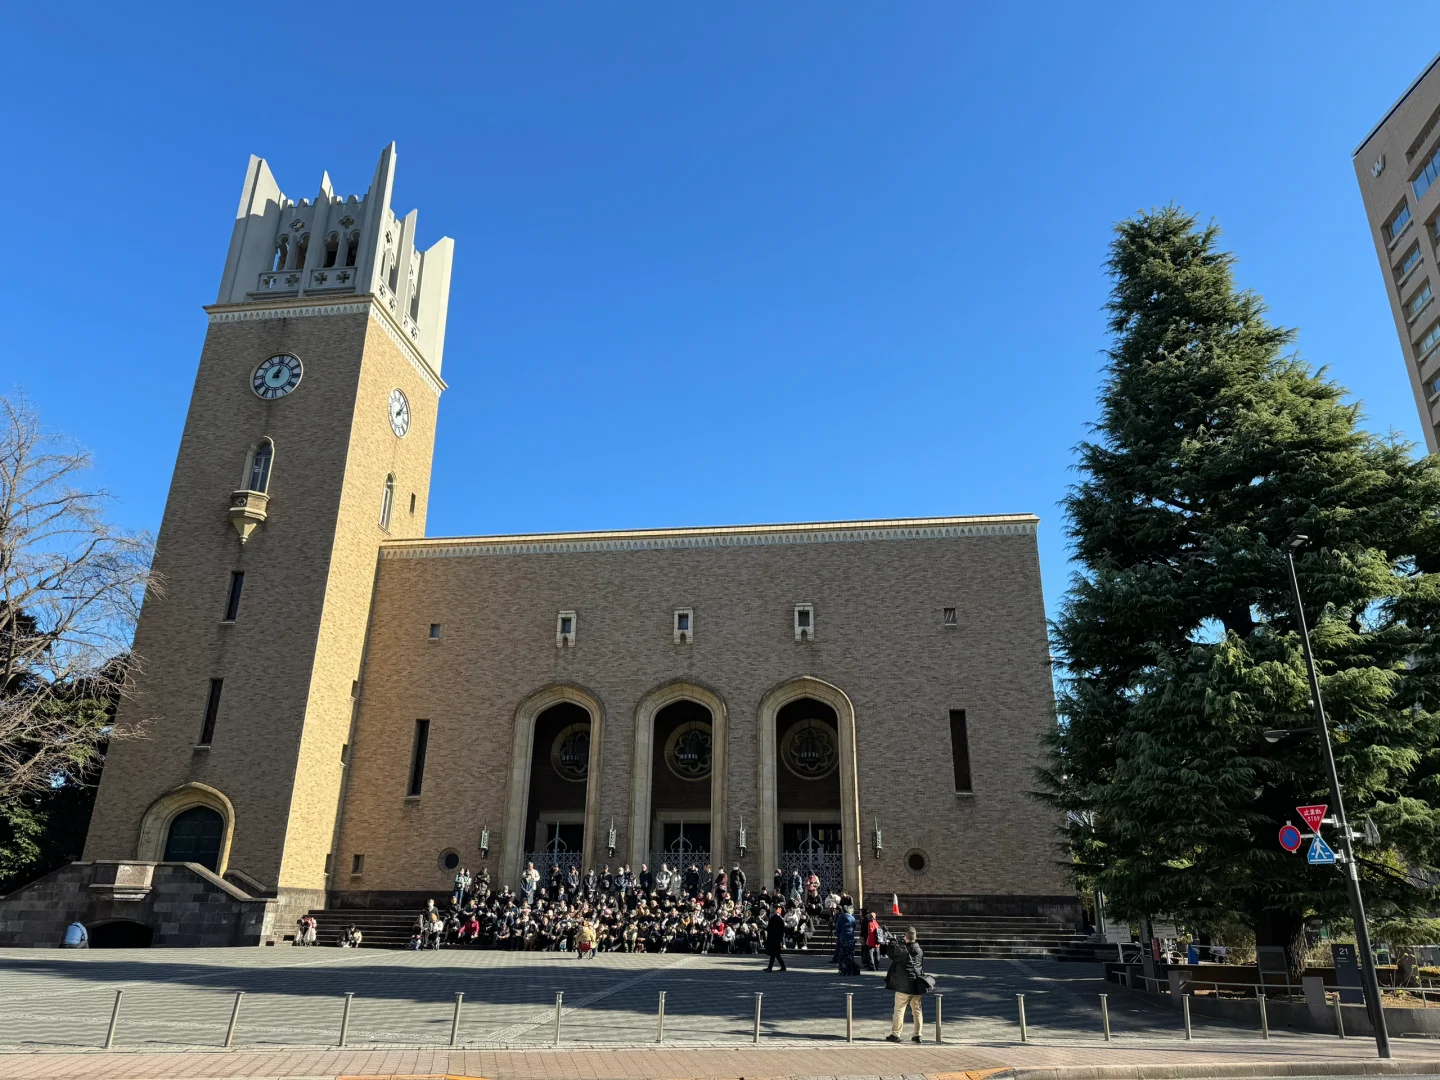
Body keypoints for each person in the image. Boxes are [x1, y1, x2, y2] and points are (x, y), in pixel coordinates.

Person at [885, 926, 927, 1043]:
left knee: (899, 1009)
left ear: (905, 937)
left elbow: (891, 954)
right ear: (915, 937)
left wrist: (892, 943)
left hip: (903, 985)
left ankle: (896, 1034)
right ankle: (917, 1034)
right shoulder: (920, 951)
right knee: (917, 1010)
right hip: (917, 984)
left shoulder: (902, 951)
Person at [835, 905, 859, 975]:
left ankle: (843, 969)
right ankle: (851, 969)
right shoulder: (852, 917)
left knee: (843, 954)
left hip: (843, 938)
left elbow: (838, 928)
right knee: (851, 954)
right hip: (851, 938)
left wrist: (838, 935)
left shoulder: (840, 917)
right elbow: (854, 926)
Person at [765, 905, 788, 971]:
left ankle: (770, 967)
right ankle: (782, 967)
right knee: (776, 954)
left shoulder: (778, 918)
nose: (770, 909)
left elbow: (780, 929)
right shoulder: (772, 917)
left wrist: (780, 939)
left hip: (775, 938)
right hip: (772, 938)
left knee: (774, 953)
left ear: (775, 909)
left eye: (771, 907)